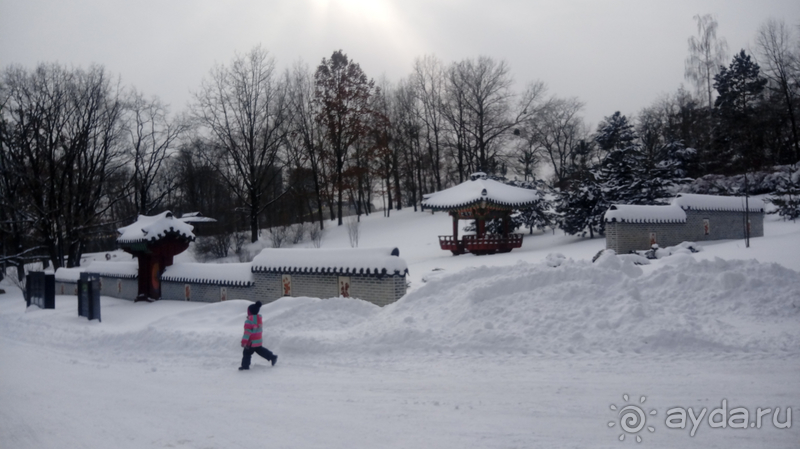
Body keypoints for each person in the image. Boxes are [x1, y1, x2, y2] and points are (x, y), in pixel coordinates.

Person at [239, 301, 277, 370]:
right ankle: (272, 357)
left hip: (251, 342)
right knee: (261, 351)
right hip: (258, 340)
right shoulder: (259, 319)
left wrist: (244, 341)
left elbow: (247, 333)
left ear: (249, 312)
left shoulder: (249, 321)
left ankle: (245, 366)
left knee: (246, 353)